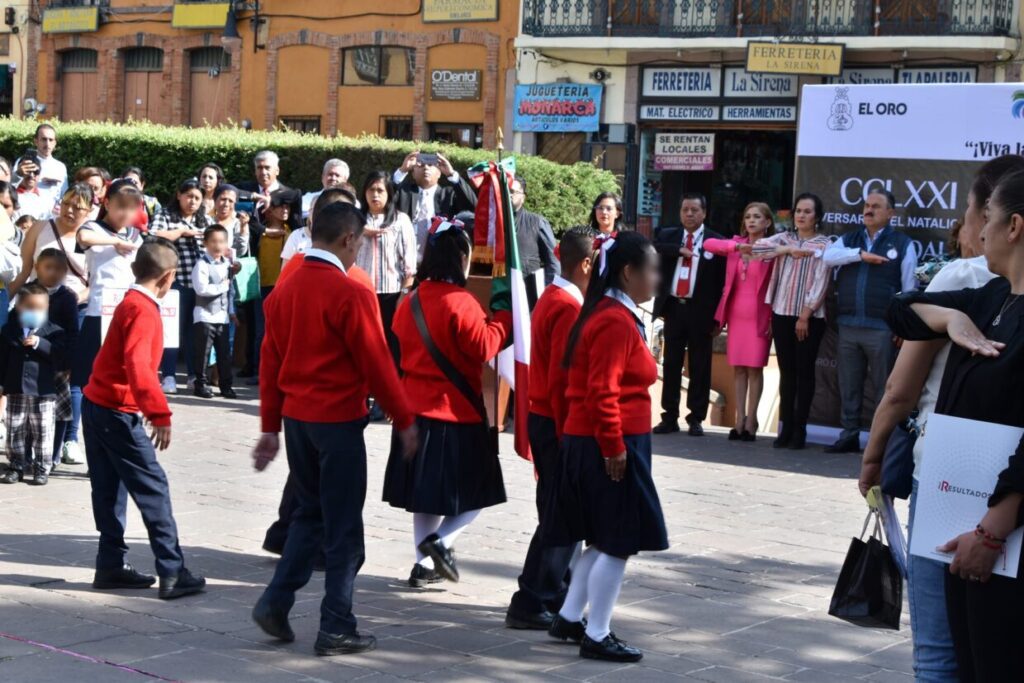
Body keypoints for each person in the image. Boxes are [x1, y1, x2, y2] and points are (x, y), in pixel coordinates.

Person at [858, 155, 1024, 682]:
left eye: (986, 217)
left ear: (1013, 227)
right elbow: (902, 308)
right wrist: (949, 315)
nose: (973, 233)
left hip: (1001, 526)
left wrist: (995, 529)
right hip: (959, 509)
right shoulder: (994, 295)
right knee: (963, 655)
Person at [250, 202, 417, 656]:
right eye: (359, 243)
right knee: (343, 529)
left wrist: (270, 426)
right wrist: (403, 417)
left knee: (309, 513)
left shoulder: (285, 288)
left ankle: (276, 600)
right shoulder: (349, 292)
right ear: (349, 239)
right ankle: (336, 624)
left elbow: (269, 361)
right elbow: (377, 361)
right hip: (337, 420)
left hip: (298, 420)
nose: (358, 251)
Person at [544, 230, 668, 663]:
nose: (656, 277)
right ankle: (596, 632)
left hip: (594, 438)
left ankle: (569, 616)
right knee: (617, 542)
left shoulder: (604, 311)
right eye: (651, 269)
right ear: (628, 272)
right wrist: (613, 447)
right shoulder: (614, 319)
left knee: (602, 539)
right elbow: (602, 390)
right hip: (610, 442)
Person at [383, 217, 511, 587]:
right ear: (459, 259)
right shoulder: (462, 301)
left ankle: (423, 564)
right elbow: (486, 347)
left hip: (413, 412)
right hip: (453, 412)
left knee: (424, 499)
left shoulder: (409, 301)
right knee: (480, 490)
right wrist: (504, 319)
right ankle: (441, 544)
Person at [83, 238, 205, 600]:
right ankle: (171, 570)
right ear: (168, 278)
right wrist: (159, 413)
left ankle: (110, 565)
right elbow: (139, 368)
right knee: (153, 488)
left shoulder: (129, 302)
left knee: (108, 489)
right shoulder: (145, 310)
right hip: (119, 412)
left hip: (96, 404)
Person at [506, 226, 594, 631]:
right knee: (561, 515)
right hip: (554, 420)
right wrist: (568, 437)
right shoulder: (567, 306)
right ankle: (533, 596)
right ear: (586, 264)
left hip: (545, 417)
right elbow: (561, 381)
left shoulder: (555, 297)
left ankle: (552, 591)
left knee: (560, 512)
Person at [823, 189, 918, 453]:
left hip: (883, 329)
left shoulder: (902, 243)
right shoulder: (849, 239)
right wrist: (860, 255)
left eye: (876, 206)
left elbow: (909, 288)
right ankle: (849, 435)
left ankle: (881, 442)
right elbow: (827, 258)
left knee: (884, 388)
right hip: (849, 326)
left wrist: (902, 326)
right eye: (866, 205)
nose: (869, 210)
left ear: (891, 214)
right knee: (849, 386)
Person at [13, 184, 93, 466]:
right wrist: (8, 301)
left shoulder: (91, 236)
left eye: (79, 206)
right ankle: (31, 440)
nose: (71, 210)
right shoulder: (40, 227)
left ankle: (69, 439)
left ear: (89, 210)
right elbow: (24, 269)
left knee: (70, 376)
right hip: (33, 305)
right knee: (30, 369)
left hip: (72, 308)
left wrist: (74, 298)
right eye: (68, 203)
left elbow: (95, 281)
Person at [749, 194, 833, 450]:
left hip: (809, 318)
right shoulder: (785, 238)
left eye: (807, 211)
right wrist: (785, 250)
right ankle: (784, 428)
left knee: (805, 374)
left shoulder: (824, 244)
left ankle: (800, 430)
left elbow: (821, 282)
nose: (801, 215)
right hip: (782, 313)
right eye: (798, 211)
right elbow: (756, 249)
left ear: (817, 217)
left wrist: (805, 316)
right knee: (787, 373)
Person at [652, 194, 727, 436]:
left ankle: (696, 417)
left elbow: (723, 282)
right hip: (674, 307)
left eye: (695, 210)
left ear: (704, 213)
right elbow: (651, 248)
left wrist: (719, 318)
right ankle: (669, 416)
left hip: (701, 311)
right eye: (685, 209)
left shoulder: (716, 241)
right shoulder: (668, 236)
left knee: (700, 365)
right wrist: (678, 250)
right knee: (671, 363)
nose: (689, 214)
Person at [703, 203, 775, 441]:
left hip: (759, 315)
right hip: (736, 315)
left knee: (755, 368)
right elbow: (708, 244)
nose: (751, 221)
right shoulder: (734, 244)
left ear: (767, 222)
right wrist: (738, 246)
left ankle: (752, 420)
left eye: (757, 217)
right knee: (739, 369)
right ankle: (739, 419)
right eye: (747, 217)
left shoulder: (771, 248)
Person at [72, 180, 145, 407]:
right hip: (98, 312)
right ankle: (72, 434)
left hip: (126, 314)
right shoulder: (93, 228)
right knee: (83, 377)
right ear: (107, 202)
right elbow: (83, 238)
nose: (127, 213)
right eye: (121, 205)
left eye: (133, 207)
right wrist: (115, 242)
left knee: (119, 373)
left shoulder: (136, 234)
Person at [0, 283, 66, 486]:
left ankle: (41, 467)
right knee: (15, 429)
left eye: (40, 308)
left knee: (43, 431)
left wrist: (39, 344)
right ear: (18, 307)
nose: (34, 312)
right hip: (16, 390)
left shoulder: (54, 332)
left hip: (43, 392)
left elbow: (60, 357)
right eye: (29, 307)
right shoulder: (9, 330)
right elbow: (3, 359)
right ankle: (16, 465)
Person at [150, 178, 210, 393]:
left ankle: (195, 376)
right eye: (189, 196)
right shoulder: (165, 214)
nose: (192, 201)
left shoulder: (205, 219)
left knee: (196, 333)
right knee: (171, 331)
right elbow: (152, 235)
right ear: (179, 195)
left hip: (200, 285)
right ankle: (168, 375)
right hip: (173, 283)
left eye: (197, 198)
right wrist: (181, 232)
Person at [355, 171, 416, 368]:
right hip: (361, 293)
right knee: (363, 343)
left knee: (391, 344)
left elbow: (409, 261)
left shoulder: (400, 220)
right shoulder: (355, 219)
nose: (375, 195)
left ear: (389, 193)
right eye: (371, 190)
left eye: (380, 190)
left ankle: (389, 393)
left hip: (391, 293)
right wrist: (360, 230)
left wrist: (404, 294)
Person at [31, 249, 78, 473]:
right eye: (47, 267)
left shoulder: (68, 298)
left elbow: (72, 332)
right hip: (30, 364)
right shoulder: (27, 292)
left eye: (58, 268)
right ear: (37, 268)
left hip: (57, 365)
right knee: (31, 410)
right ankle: (31, 453)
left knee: (59, 411)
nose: (53, 273)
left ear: (65, 271)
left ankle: (54, 453)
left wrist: (68, 362)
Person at [247, 189, 296, 386]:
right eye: (280, 206)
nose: (285, 209)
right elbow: (250, 223)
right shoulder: (260, 230)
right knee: (262, 331)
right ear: (270, 209)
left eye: (287, 206)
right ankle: (261, 371)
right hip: (263, 286)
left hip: (284, 287)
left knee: (282, 332)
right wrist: (265, 230)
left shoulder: (293, 231)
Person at [392, 150, 477, 259]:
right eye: (420, 165)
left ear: (440, 172)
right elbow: (385, 200)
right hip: (403, 259)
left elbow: (473, 206)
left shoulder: (448, 195)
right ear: (412, 173)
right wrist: (402, 171)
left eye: (431, 165)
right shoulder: (403, 192)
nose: (426, 168)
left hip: (438, 262)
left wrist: (452, 174)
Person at [191, 225, 238, 400]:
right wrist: (221, 286)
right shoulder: (201, 264)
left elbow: (230, 290)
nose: (218, 245)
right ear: (205, 243)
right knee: (203, 352)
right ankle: (200, 384)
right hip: (204, 315)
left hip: (222, 316)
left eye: (222, 241)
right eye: (213, 241)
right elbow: (200, 288)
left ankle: (226, 386)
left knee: (225, 353)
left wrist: (231, 312)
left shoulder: (227, 264)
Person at [511, 176, 559, 308]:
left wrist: (547, 296)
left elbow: (553, 261)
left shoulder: (537, 222)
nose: (509, 195)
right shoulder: (492, 223)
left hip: (529, 298)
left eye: (513, 191)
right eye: (506, 191)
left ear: (523, 197)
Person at [236, 150, 303, 231]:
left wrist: (272, 199)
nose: (263, 172)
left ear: (277, 170)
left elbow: (296, 226)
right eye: (259, 168)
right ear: (255, 171)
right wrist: (255, 196)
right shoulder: (244, 189)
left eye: (267, 168)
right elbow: (226, 191)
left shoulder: (288, 194)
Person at [12, 124, 68, 208]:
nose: (47, 143)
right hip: (26, 213)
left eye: (51, 140)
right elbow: (10, 189)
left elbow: (64, 195)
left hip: (50, 216)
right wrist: (18, 174)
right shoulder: (23, 162)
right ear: (36, 141)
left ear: (55, 143)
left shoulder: (60, 167)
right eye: (44, 139)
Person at [209, 184, 251, 257]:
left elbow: (240, 251)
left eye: (231, 201)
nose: (226, 204)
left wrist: (243, 228)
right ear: (215, 201)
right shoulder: (207, 221)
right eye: (223, 199)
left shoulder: (238, 223)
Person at [14, 149, 55, 221]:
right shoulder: (11, 194)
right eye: (28, 171)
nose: (32, 175)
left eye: (36, 172)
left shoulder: (46, 198)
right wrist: (18, 174)